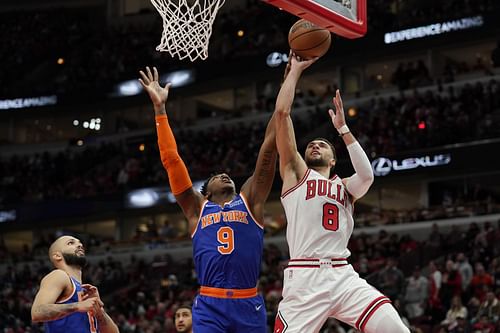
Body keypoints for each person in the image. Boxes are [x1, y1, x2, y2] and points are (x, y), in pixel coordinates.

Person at [272, 54, 410, 333]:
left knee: (396, 329)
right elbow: (282, 115)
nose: (315, 146)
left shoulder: (345, 187)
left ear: (333, 159)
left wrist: (343, 130)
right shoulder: (296, 173)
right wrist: (294, 72)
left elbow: (367, 176)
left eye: (322, 145)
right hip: (305, 277)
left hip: (343, 275)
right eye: (311, 144)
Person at [139, 66, 278, 332]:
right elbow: (171, 160)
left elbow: (269, 147)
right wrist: (160, 111)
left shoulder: (250, 200)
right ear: (206, 191)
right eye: (217, 175)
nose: (225, 175)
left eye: (228, 175)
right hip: (210, 304)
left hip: (249, 303)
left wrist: (284, 94)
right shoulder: (196, 208)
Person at [31, 235, 119, 333]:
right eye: (71, 243)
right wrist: (77, 306)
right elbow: (37, 312)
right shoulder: (59, 275)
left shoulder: (85, 291)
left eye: (80, 243)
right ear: (57, 256)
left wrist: (99, 311)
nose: (80, 245)